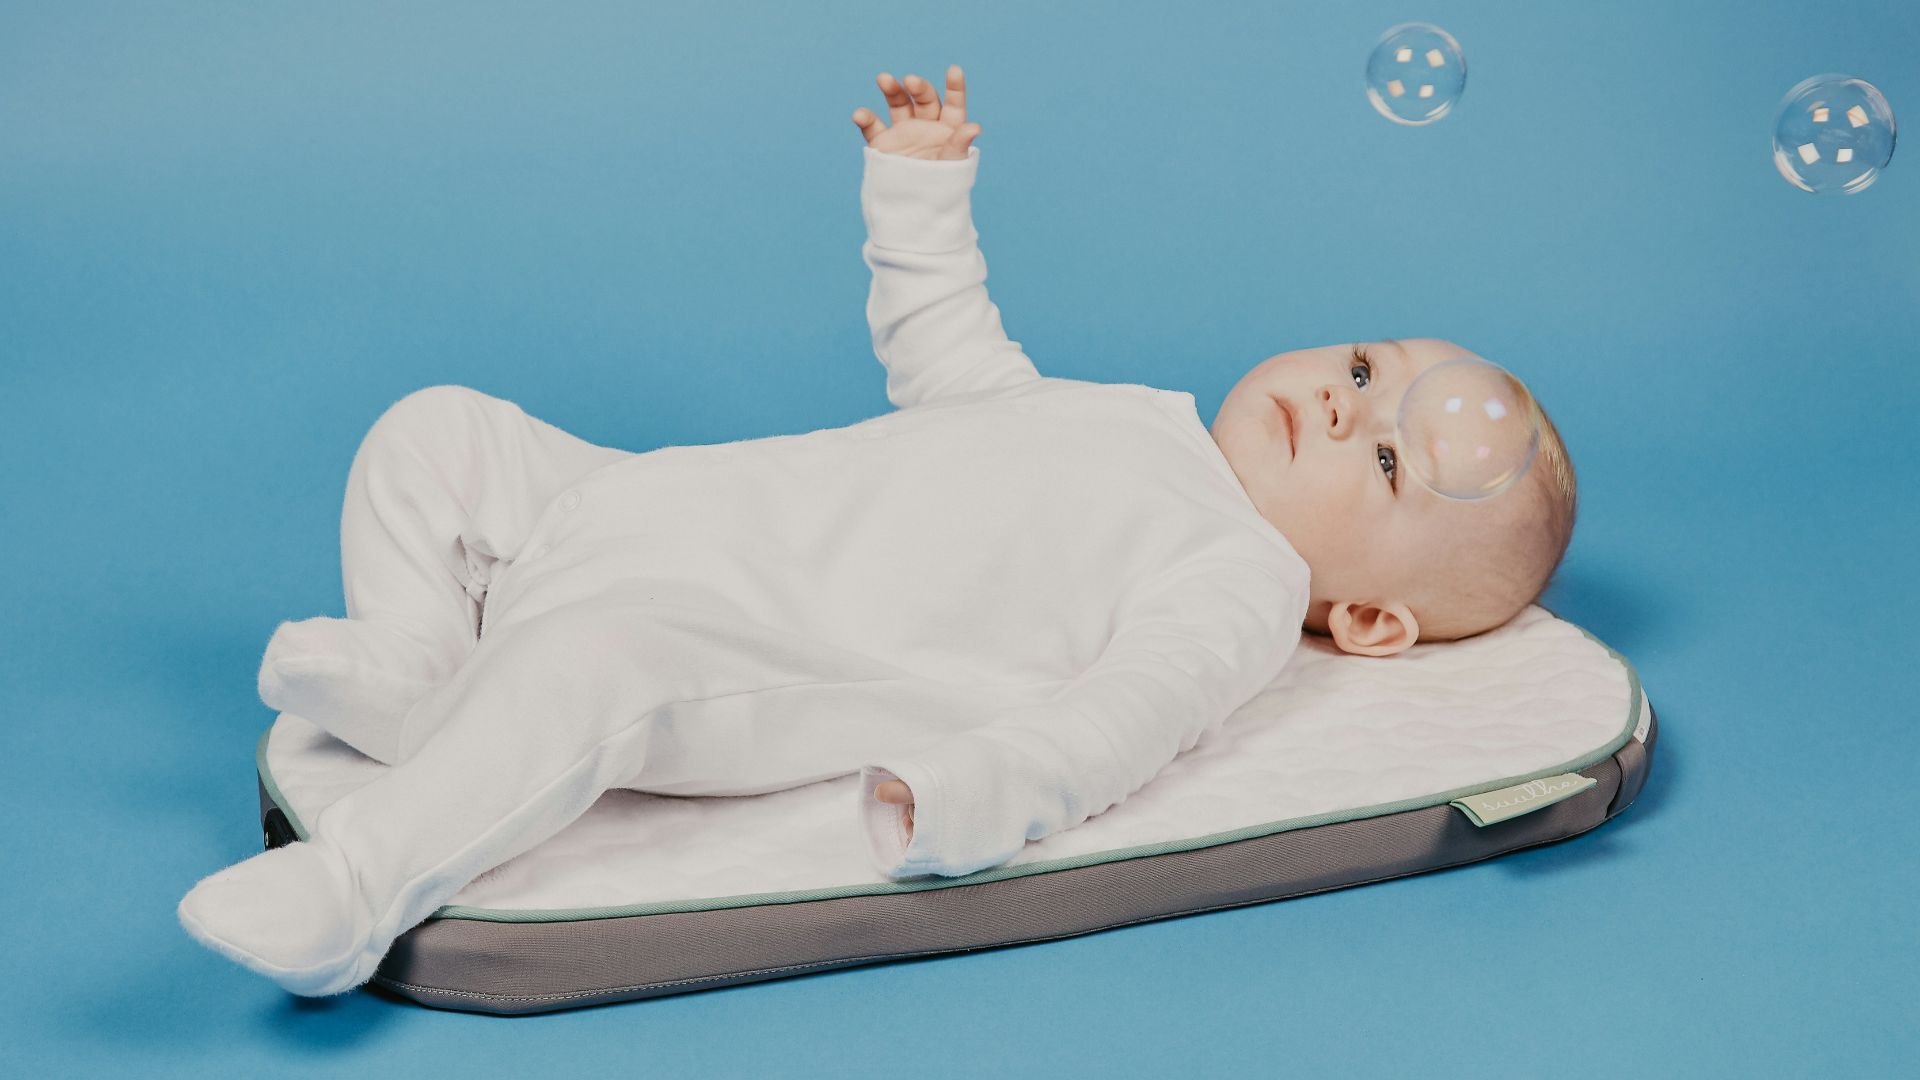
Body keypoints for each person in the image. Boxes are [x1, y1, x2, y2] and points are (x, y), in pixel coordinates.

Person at [178, 65, 1576, 998]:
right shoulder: (1130, 417)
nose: (1341, 408)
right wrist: (918, 189)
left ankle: (359, 884)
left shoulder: (1240, 584)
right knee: (436, 432)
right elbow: (949, 357)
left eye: (1385, 459)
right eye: (1359, 369)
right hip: (641, 508)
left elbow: (1115, 728)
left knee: (595, 661)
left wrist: (964, 799)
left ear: (1373, 622)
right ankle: (425, 675)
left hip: (726, 644)